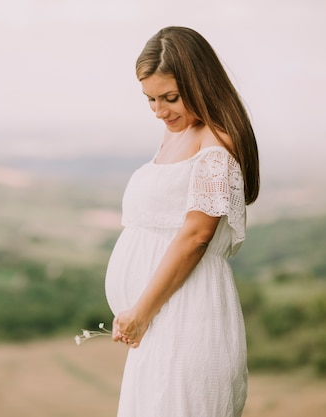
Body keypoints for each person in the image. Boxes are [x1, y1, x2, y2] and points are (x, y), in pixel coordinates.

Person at [104, 26, 259, 417]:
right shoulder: (175, 134)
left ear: (200, 83)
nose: (160, 111)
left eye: (170, 97)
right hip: (158, 321)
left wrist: (140, 313)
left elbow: (195, 236)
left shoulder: (217, 143)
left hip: (189, 318)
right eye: (150, 100)